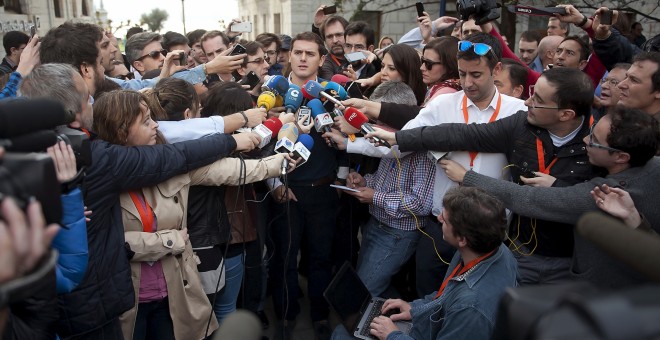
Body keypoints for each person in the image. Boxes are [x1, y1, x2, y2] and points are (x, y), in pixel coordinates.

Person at [19, 62, 260, 339]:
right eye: (87, 98)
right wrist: (231, 142)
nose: (93, 104)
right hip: (89, 312)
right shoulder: (96, 160)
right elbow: (175, 157)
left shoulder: (20, 152)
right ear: (73, 117)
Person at [370, 67, 601, 285]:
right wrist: (400, 138)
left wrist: (559, 187)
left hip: (571, 263)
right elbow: (462, 134)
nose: (528, 102)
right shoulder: (521, 125)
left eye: (538, 101)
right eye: (532, 94)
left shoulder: (600, 144)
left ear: (566, 114)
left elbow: (586, 203)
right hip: (520, 252)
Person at [92, 90, 287, 339]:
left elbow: (226, 170)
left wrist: (278, 163)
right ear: (121, 130)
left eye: (153, 118)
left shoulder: (170, 162)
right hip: (128, 302)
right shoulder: (98, 177)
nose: (156, 126)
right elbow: (112, 243)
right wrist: (169, 241)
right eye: (145, 121)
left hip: (172, 294)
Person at [438, 106, 659, 288]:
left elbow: (530, 200)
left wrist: (468, 177)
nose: (585, 139)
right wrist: (559, 185)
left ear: (621, 157)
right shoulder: (653, 168)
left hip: (604, 296)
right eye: (591, 130)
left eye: (594, 139)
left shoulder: (607, 194)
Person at [333, 187, 519, 340]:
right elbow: (445, 297)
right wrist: (415, 308)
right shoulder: (495, 250)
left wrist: (392, 335)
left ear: (462, 239)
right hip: (430, 325)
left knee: (342, 335)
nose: (438, 219)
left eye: (445, 220)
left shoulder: (470, 308)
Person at [420, 36, 461, 105]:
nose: (422, 67)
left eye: (428, 63)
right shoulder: (435, 88)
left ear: (449, 66)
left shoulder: (446, 93)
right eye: (422, 61)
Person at [318, 14, 349, 79]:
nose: (335, 41)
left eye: (339, 35)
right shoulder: (325, 64)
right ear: (324, 41)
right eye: (329, 37)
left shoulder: (357, 55)